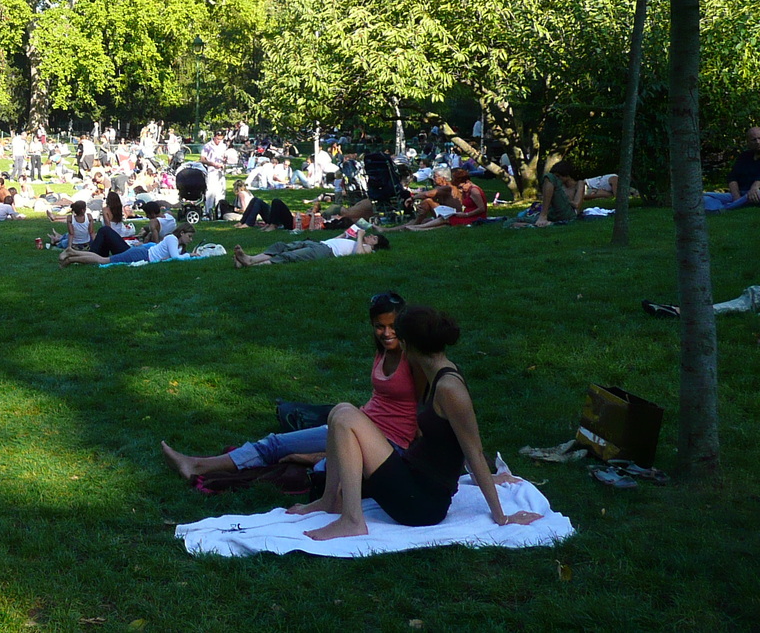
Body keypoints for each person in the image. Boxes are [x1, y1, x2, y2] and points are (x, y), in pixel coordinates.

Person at [283, 305, 542, 539]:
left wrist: (502, 516)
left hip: (422, 502)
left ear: (407, 345)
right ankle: (330, 500)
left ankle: (352, 520)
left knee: (346, 416)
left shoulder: (450, 387)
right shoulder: (435, 373)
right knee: (340, 411)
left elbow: (471, 448)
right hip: (410, 475)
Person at [162, 292, 418, 480]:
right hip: (359, 425)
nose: (386, 333)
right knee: (276, 443)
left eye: (392, 327)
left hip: (388, 442)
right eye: (379, 327)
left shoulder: (415, 358)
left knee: (322, 472)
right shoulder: (382, 351)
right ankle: (197, 465)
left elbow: (428, 409)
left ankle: (315, 457)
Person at [60, 223, 195, 266]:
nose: (190, 240)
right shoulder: (172, 239)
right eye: (189, 236)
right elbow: (175, 257)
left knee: (104, 260)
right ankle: (71, 257)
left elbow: (170, 258)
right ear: (181, 233)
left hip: (144, 254)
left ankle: (72, 253)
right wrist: (190, 255)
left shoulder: (177, 244)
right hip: (141, 255)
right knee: (104, 260)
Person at [234, 230, 389, 267]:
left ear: (376, 245)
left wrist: (361, 237)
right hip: (321, 243)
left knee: (292, 255)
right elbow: (333, 241)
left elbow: (358, 254)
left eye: (374, 238)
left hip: (326, 252)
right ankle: (250, 259)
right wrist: (344, 234)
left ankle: (254, 265)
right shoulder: (358, 241)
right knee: (283, 246)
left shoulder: (368, 248)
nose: (370, 236)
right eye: (371, 235)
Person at [402, 169, 488, 231]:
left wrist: (466, 214)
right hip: (464, 214)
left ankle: (417, 227)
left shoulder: (474, 191)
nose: (461, 189)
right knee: (444, 223)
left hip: (473, 217)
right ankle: (418, 228)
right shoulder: (468, 190)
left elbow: (482, 208)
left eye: (461, 187)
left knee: (445, 218)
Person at [509, 161, 582, 228]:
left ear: (567, 175)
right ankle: (539, 225)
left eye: (558, 176)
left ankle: (543, 216)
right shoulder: (560, 185)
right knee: (511, 222)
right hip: (555, 211)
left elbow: (577, 204)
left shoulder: (579, 183)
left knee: (549, 177)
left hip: (569, 213)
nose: (557, 179)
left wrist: (558, 199)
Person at [704, 126, 760, 212]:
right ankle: (732, 205)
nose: (758, 142)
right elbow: (732, 177)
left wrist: (754, 189)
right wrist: (736, 195)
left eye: (759, 138)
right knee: (704, 197)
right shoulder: (744, 157)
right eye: (754, 140)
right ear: (748, 142)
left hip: (756, 193)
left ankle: (724, 209)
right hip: (741, 194)